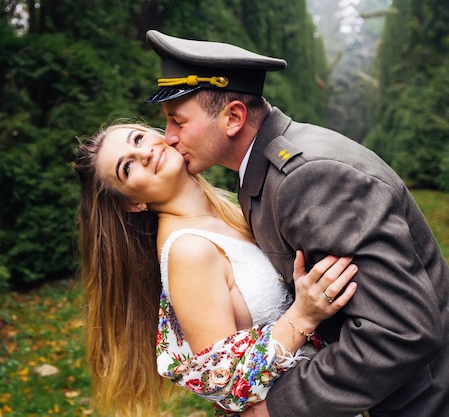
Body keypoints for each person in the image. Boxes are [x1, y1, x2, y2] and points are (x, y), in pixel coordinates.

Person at [144, 30, 449, 417]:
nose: (168, 138)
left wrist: (275, 408)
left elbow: (398, 331)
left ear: (234, 117)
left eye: (177, 120)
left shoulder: (307, 179)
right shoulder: (265, 170)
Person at [74, 122, 358, 417]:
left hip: (320, 393)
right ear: (133, 203)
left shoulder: (231, 212)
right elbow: (225, 381)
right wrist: (304, 315)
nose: (144, 154)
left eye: (138, 138)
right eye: (127, 167)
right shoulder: (189, 250)